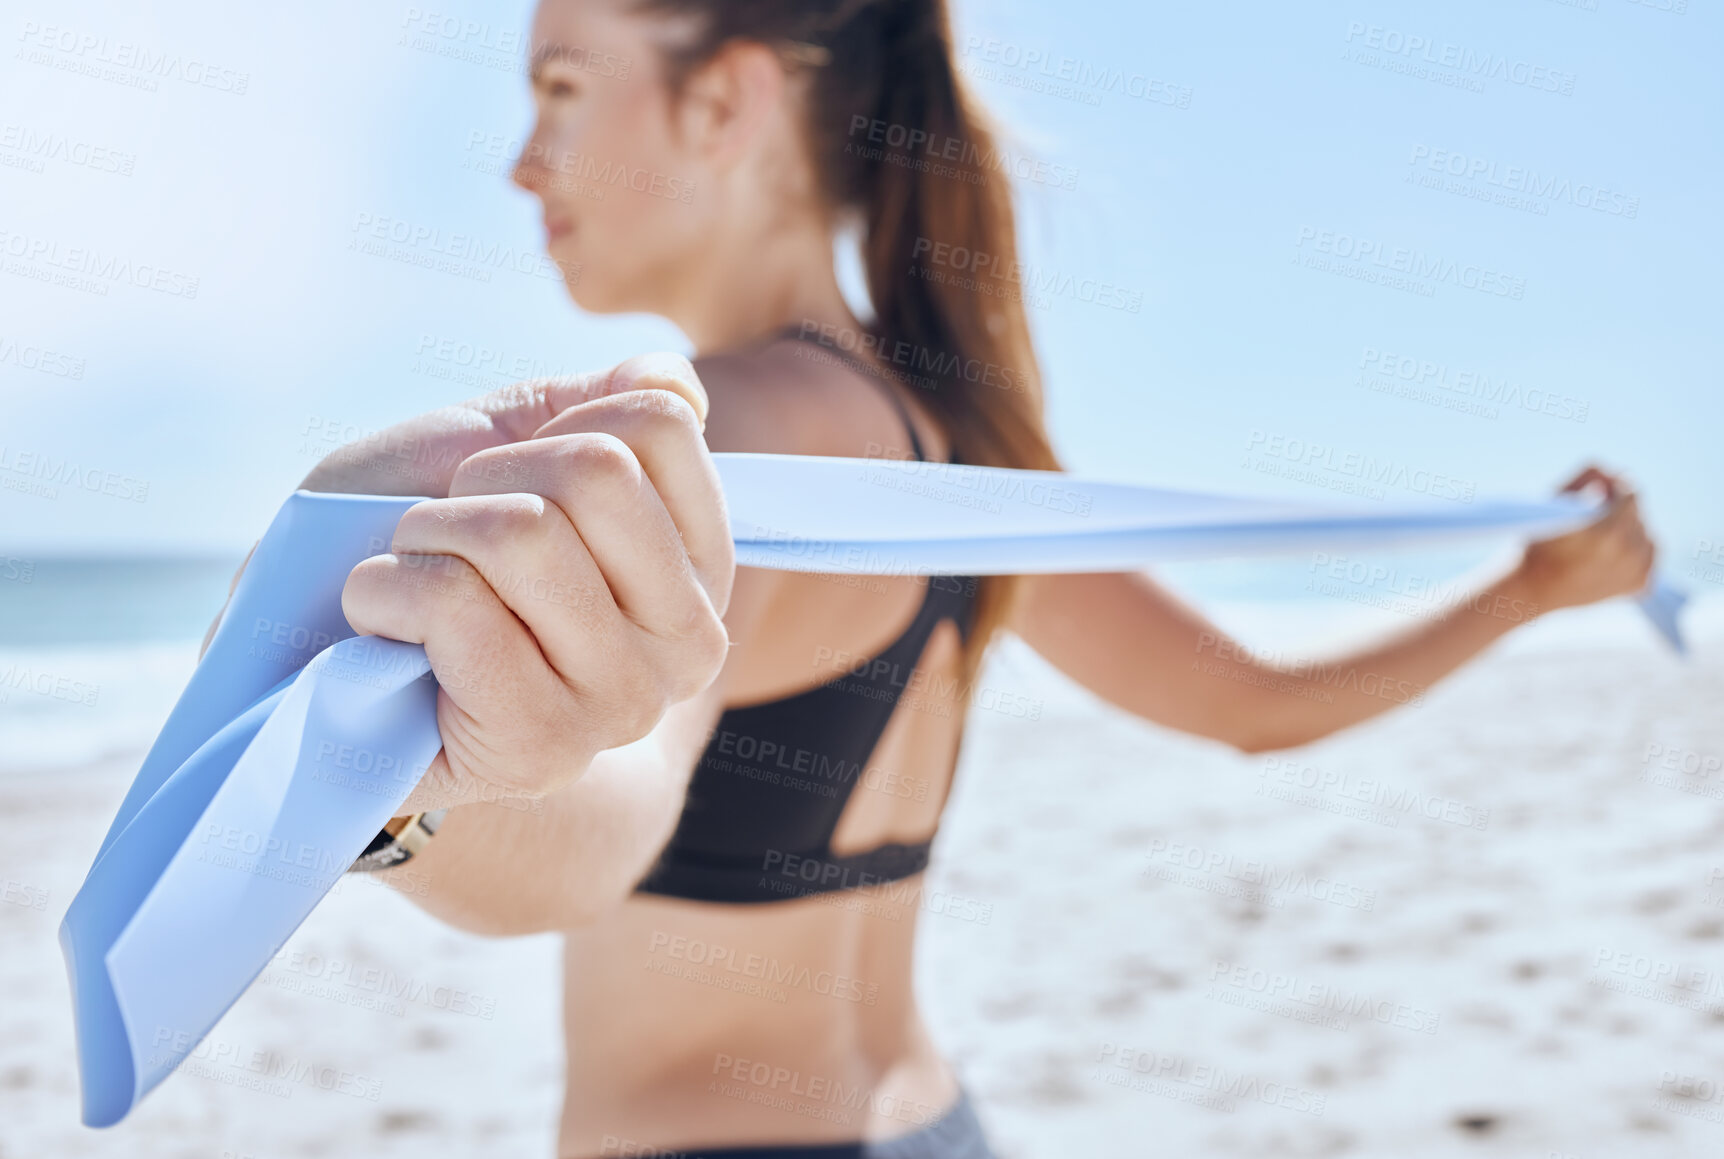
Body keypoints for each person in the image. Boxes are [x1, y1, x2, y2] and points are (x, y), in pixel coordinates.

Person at [291, 1, 1656, 1154]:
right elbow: (1253, 703)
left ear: (727, 106)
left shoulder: (743, 426)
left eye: (564, 87)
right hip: (935, 1122)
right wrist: (1526, 595)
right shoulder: (953, 447)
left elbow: (601, 840)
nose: (527, 161)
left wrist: (392, 792)